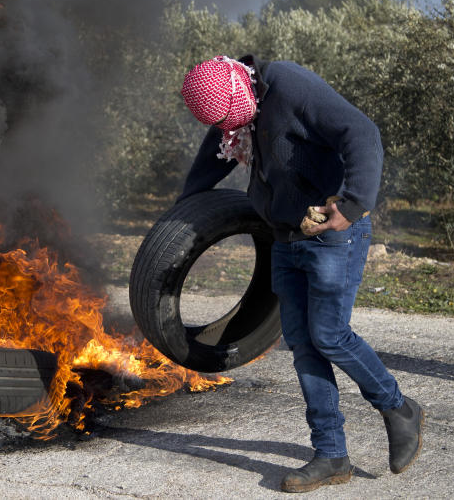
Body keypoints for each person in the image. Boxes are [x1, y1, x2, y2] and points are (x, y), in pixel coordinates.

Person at [178, 55, 424, 493]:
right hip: (286, 235)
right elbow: (216, 153)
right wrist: (186, 201)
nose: (235, 131)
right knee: (304, 344)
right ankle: (331, 454)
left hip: (332, 232)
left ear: (243, 89)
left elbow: (362, 132)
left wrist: (351, 205)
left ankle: (399, 408)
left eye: (236, 121)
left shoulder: (289, 86)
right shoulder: (237, 102)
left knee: (329, 334)